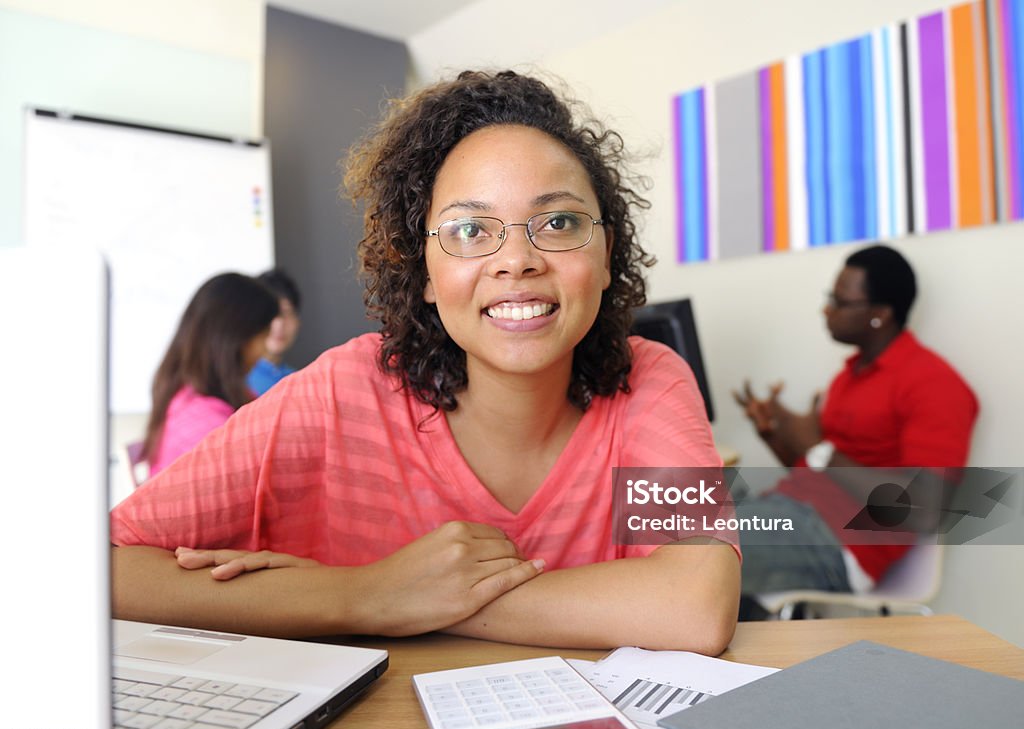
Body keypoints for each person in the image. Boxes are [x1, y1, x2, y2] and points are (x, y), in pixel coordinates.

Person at [111, 70, 740, 653]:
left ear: (606, 256)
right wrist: (362, 595)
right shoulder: (342, 391)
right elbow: (102, 567)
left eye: (557, 221)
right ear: (427, 274)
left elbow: (695, 606)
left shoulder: (649, 379)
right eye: (469, 230)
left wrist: (428, 601)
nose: (517, 259)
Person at [732, 245, 978, 619]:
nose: (826, 310)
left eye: (839, 301)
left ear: (880, 314)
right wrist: (778, 437)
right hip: (792, 513)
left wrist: (819, 450)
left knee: (690, 551)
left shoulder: (934, 383)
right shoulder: (850, 377)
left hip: (840, 543)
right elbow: (820, 474)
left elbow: (924, 512)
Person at [142, 273, 279, 476]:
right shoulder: (208, 428)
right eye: (262, 338)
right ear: (235, 338)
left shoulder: (186, 396)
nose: (264, 353)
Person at [247, 268, 302, 396]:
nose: (278, 325)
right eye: (270, 314)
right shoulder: (234, 381)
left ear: (298, 322)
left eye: (287, 313)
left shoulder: (299, 381)